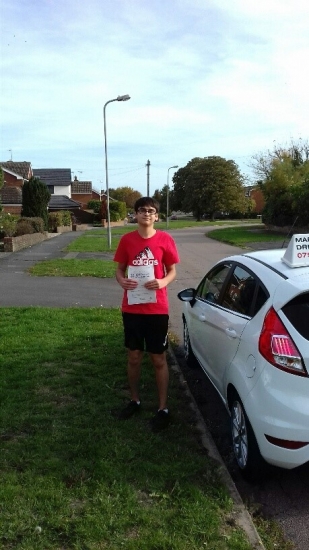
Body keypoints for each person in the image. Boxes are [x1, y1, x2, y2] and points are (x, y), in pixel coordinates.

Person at [113, 197, 180, 431]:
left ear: (156, 216)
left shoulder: (165, 239)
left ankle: (163, 408)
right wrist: (122, 281)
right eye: (142, 210)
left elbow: (172, 271)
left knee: (158, 358)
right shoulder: (126, 240)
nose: (146, 214)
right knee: (134, 356)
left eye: (151, 211)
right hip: (132, 308)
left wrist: (162, 282)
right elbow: (119, 270)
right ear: (135, 214)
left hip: (157, 309)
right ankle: (135, 400)